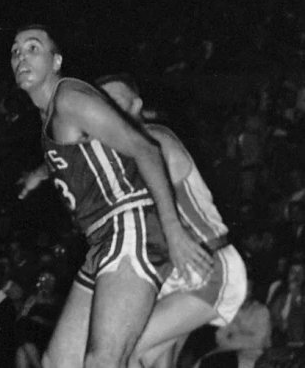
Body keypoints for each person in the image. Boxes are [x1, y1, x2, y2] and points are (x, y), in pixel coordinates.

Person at [11, 25, 213, 368]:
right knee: (57, 363)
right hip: (104, 240)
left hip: (130, 227)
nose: (21, 57)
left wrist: (174, 230)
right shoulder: (50, 116)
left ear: (56, 60)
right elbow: (87, 152)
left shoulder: (70, 99)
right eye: (15, 51)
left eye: (33, 48)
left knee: (103, 361)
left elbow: (145, 149)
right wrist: (38, 174)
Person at [97, 74, 247, 368]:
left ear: (136, 104)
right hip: (175, 275)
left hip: (208, 263)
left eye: (115, 101)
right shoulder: (123, 153)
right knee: (154, 362)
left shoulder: (155, 139)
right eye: (103, 104)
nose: (108, 109)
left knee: (122, 350)